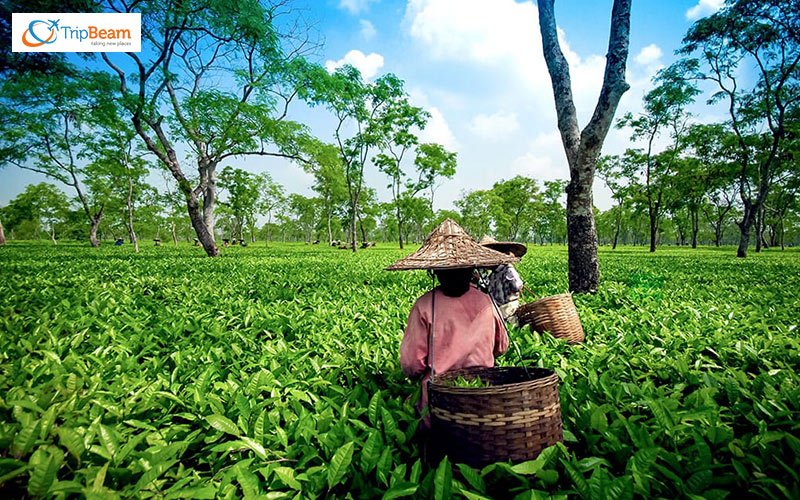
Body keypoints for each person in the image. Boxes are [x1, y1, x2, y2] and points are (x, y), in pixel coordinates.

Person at [385, 219, 518, 432]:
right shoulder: (486, 301)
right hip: (482, 396)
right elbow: (501, 347)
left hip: (439, 400)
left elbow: (412, 364)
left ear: (435, 271)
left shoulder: (424, 305)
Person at [477, 235, 527, 326]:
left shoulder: (507, 269)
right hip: (497, 312)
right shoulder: (493, 275)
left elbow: (517, 285)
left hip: (508, 312)